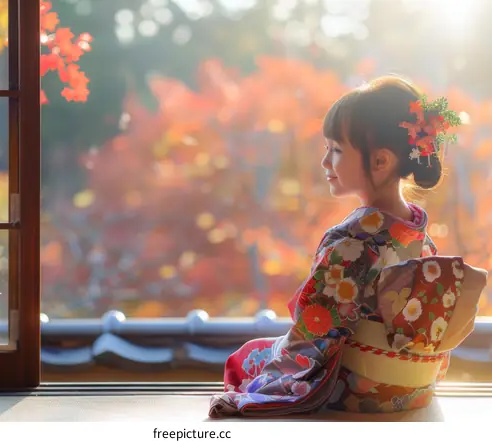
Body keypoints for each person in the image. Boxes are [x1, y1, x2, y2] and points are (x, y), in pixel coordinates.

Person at [208, 75, 488, 418]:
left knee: (247, 357)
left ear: (380, 161)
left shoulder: (353, 243)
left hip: (359, 390)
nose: (326, 162)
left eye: (336, 150)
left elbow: (316, 330)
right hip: (411, 392)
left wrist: (267, 387)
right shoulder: (419, 236)